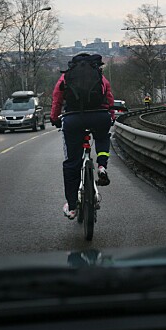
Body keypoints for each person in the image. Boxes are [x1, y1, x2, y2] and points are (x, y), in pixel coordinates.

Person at [50, 53, 115, 220]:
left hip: (73, 119)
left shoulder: (66, 77)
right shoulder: (100, 76)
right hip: (99, 116)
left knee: (72, 163)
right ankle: (101, 166)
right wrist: (111, 115)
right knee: (101, 137)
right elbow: (109, 98)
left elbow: (57, 99)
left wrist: (55, 118)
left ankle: (72, 207)